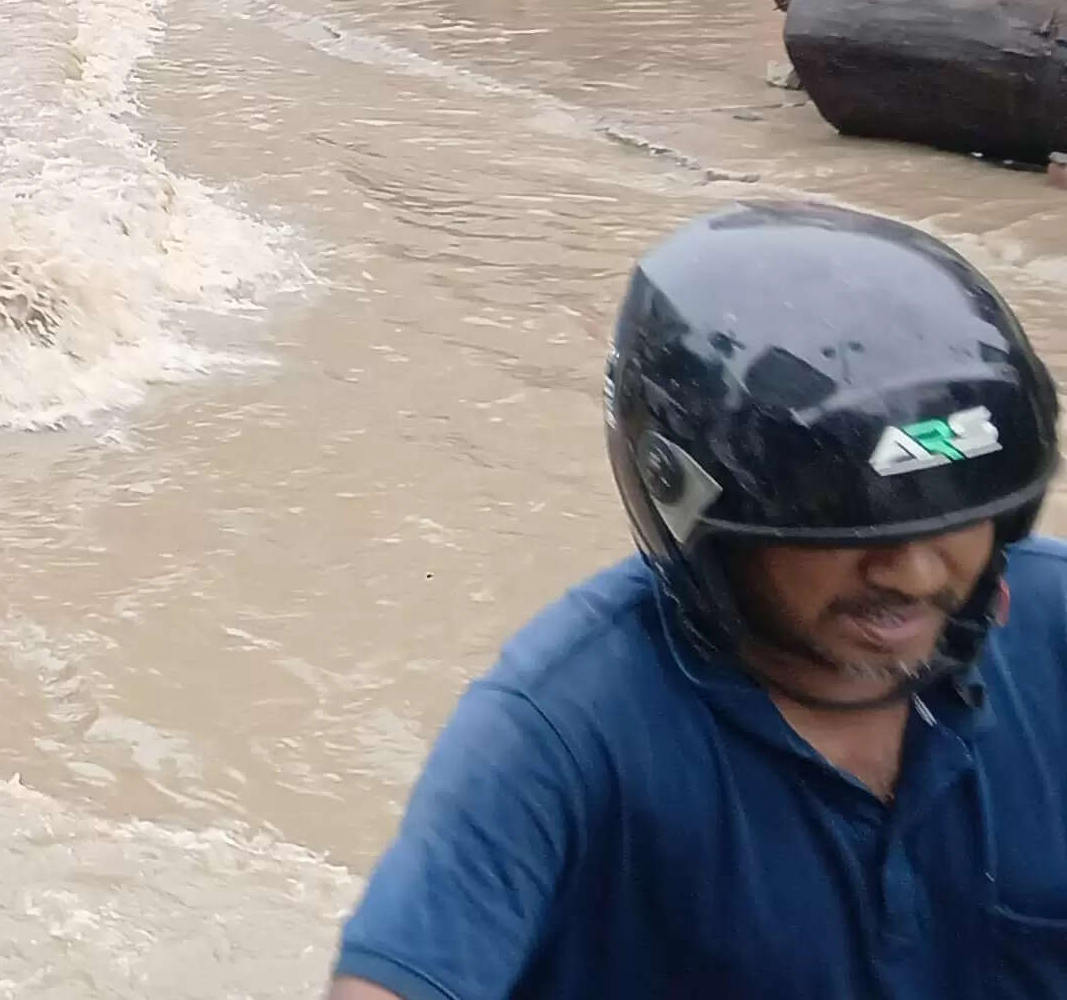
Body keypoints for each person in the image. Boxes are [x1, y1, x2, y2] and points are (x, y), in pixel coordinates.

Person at [327, 203, 1063, 1000]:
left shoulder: (1053, 631)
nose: (917, 574)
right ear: (701, 520)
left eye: (956, 520)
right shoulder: (561, 731)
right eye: (853, 533)